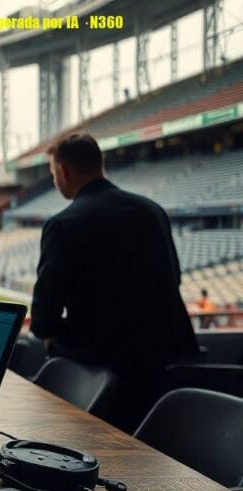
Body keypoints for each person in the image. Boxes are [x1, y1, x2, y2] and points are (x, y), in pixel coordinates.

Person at [30, 133, 198, 432]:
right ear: (100, 164)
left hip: (98, 374)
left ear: (64, 172)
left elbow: (43, 319)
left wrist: (51, 337)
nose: (55, 180)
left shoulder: (62, 224)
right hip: (162, 370)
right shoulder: (152, 211)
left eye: (54, 173)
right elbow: (174, 279)